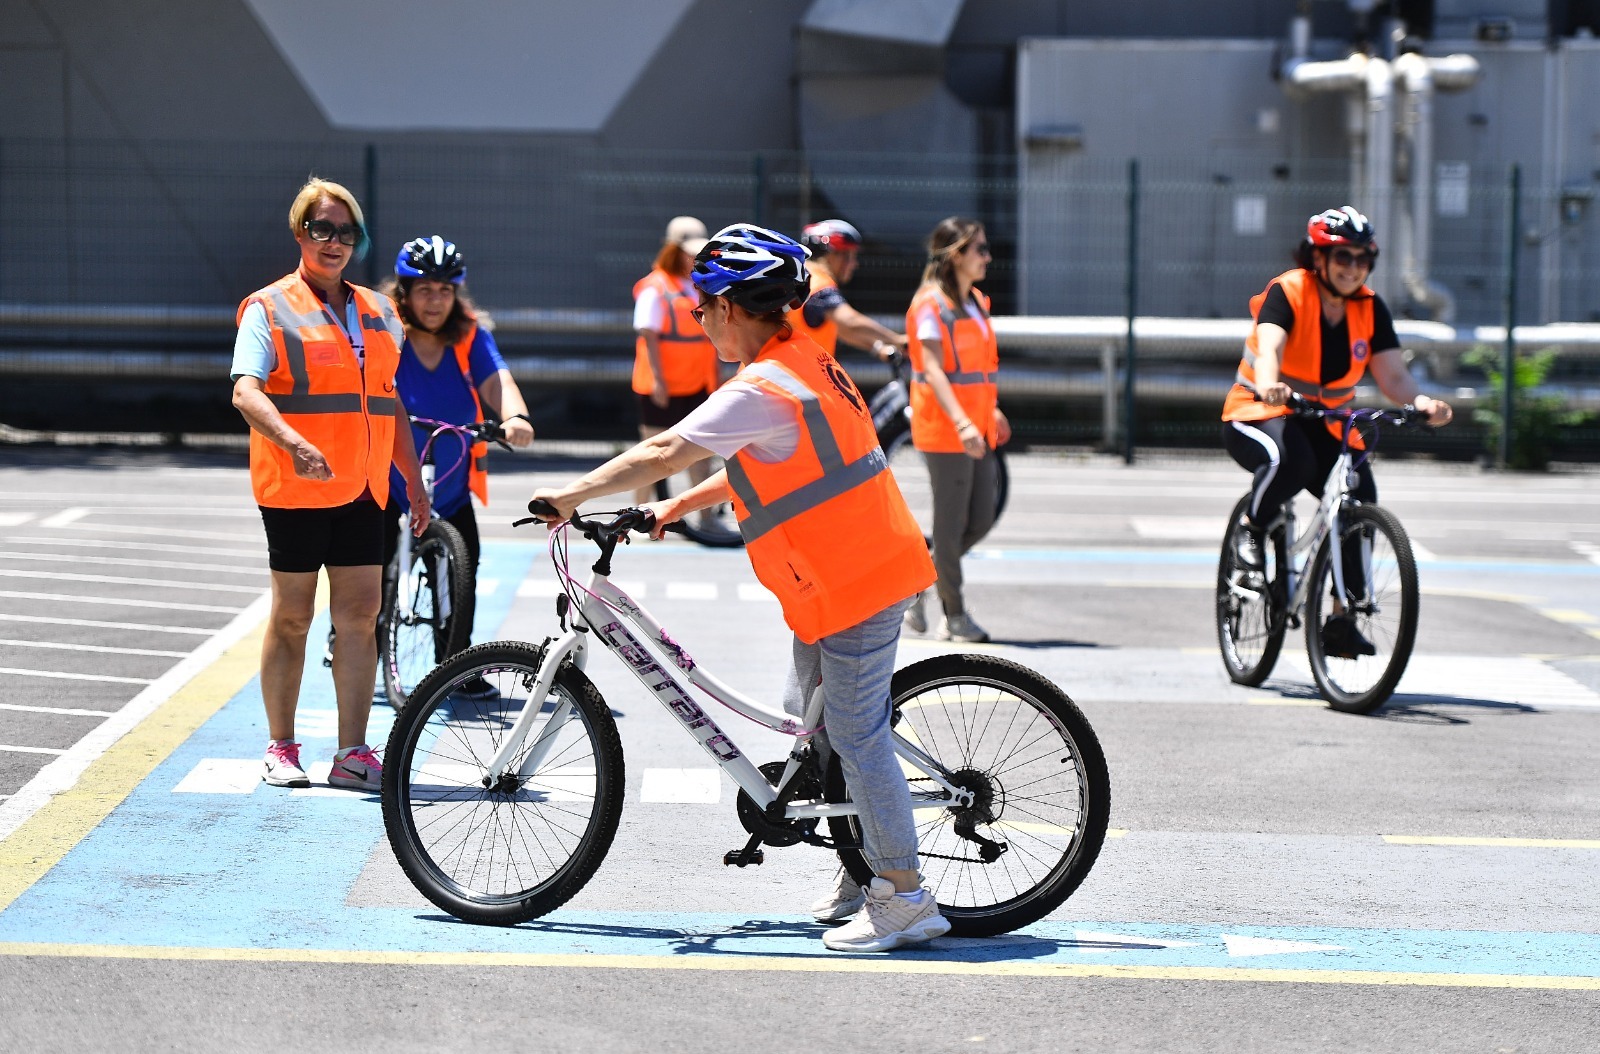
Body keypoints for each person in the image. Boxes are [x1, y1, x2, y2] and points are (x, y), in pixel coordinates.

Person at [530, 224, 949, 953]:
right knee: (808, 721)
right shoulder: (800, 362)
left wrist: (571, 495)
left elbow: (666, 448)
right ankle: (860, 866)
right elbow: (764, 465)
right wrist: (670, 506)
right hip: (842, 577)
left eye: (701, 308)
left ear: (730, 307)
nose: (696, 319)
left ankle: (905, 896)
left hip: (858, 579)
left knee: (853, 732)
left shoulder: (764, 383)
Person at [230, 177, 430, 791]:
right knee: (293, 617)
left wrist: (413, 483)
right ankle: (282, 747)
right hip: (295, 489)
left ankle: (351, 753)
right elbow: (245, 391)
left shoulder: (381, 311)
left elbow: (389, 402)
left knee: (360, 616)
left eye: (346, 231)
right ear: (300, 234)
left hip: (365, 489)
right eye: (322, 229)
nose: (334, 241)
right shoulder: (269, 307)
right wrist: (293, 441)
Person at [1221, 206, 1453, 657]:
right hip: (1255, 413)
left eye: (1362, 259)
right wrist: (1269, 385)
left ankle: (1341, 617)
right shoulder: (1289, 291)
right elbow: (1269, 346)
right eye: (1342, 256)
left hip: (1325, 422)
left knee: (1361, 491)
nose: (1353, 268)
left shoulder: (1370, 308)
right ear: (1319, 257)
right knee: (1291, 461)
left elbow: (1394, 378)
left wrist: (1420, 403)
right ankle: (1252, 528)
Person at [382, 235, 535, 700]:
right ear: (403, 292)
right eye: (424, 289)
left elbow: (498, 380)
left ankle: (455, 665)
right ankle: (362, 645)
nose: (435, 300)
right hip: (387, 481)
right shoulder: (385, 330)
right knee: (370, 571)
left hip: (448, 482)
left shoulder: (470, 336)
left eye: (445, 290)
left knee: (463, 564)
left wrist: (516, 417)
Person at [900, 216, 1010, 644]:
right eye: (979, 249)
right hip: (945, 428)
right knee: (949, 526)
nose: (987, 256)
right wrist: (962, 420)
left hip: (976, 426)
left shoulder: (976, 302)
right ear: (956, 255)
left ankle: (917, 582)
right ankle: (956, 615)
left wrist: (991, 410)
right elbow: (931, 367)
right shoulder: (929, 304)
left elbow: (978, 367)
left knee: (981, 517)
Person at [630, 215, 719, 503]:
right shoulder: (655, 286)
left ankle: (706, 519)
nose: (693, 259)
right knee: (651, 453)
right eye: (688, 253)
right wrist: (658, 381)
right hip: (662, 386)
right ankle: (637, 514)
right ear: (673, 251)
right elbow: (649, 335)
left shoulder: (699, 285)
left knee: (701, 453)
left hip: (696, 383)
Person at [788, 219, 906, 362]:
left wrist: (877, 348)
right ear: (833, 254)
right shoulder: (819, 284)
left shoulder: (803, 277)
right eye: (850, 256)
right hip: (801, 375)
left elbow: (843, 330)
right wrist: (897, 339)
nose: (854, 264)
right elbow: (850, 321)